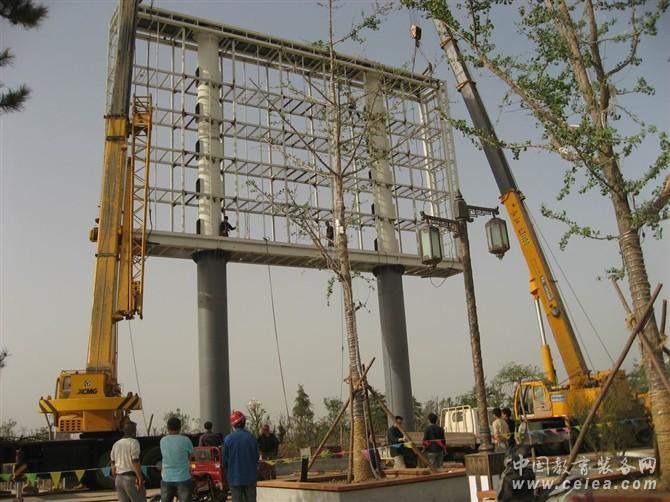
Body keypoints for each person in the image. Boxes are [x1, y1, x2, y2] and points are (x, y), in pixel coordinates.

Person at [223, 410, 259, 502]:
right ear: (244, 422)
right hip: (250, 477)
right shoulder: (252, 438)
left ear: (233, 425)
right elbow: (256, 457)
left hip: (235, 478)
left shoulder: (228, 439)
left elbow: (225, 462)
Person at [159, 416, 194, 502]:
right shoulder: (186, 440)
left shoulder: (163, 441)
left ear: (168, 427)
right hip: (183, 477)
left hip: (167, 477)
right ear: (180, 427)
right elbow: (191, 455)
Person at [111, 421, 145, 502]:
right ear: (133, 432)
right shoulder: (134, 442)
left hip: (119, 479)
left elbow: (113, 463)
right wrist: (139, 477)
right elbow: (135, 461)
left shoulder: (116, 444)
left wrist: (116, 476)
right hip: (130, 478)